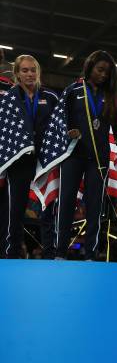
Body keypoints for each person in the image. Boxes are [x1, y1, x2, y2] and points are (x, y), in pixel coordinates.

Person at [54, 50, 117, 261]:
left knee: (95, 205)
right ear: (90, 67)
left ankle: (91, 254)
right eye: (100, 70)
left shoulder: (109, 94)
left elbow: (114, 121)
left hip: (98, 157)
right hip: (73, 155)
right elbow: (61, 118)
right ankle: (60, 252)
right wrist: (69, 130)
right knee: (66, 201)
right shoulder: (73, 90)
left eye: (107, 72)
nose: (104, 75)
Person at [0, 55, 58, 258]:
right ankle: (11, 254)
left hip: (44, 161)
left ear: (38, 72)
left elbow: (60, 124)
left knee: (48, 207)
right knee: (15, 210)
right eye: (24, 70)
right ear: (16, 74)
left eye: (33, 70)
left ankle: (51, 254)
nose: (29, 74)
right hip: (19, 161)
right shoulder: (8, 99)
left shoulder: (50, 96)